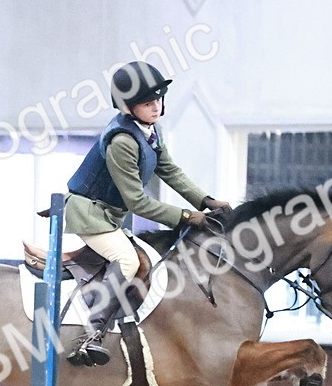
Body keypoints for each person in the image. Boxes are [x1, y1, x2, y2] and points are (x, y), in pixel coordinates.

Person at [63, 60, 229, 366]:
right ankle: (92, 334)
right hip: (89, 214)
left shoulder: (150, 131)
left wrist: (205, 200)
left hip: (108, 214)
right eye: (148, 103)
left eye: (158, 101)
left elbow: (170, 171)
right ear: (127, 107)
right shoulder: (122, 141)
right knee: (126, 260)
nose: (156, 108)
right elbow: (138, 203)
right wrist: (186, 217)